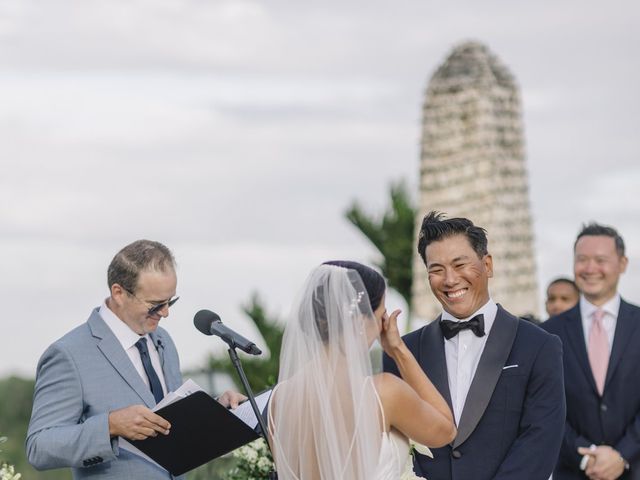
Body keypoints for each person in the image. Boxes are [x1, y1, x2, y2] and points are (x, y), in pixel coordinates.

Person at [27, 240, 244, 479]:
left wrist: (214, 409)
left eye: (170, 301)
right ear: (118, 293)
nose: (165, 312)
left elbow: (168, 418)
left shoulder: (163, 340)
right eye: (155, 305)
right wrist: (110, 425)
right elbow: (39, 446)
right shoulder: (68, 354)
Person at [385, 211, 565, 479]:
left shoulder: (540, 346)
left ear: (488, 265)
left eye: (460, 265)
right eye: (436, 270)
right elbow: (393, 443)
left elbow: (540, 440)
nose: (449, 279)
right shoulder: (402, 352)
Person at [268, 260, 456, 480]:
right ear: (358, 322)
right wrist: (398, 350)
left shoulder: (277, 400)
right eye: (379, 316)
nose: (381, 327)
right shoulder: (384, 393)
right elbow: (446, 430)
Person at [542, 223, 640, 479]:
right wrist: (584, 456)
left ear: (622, 263)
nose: (590, 268)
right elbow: (543, 404)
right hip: (572, 471)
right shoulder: (546, 334)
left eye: (601, 260)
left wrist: (622, 454)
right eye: (582, 259)